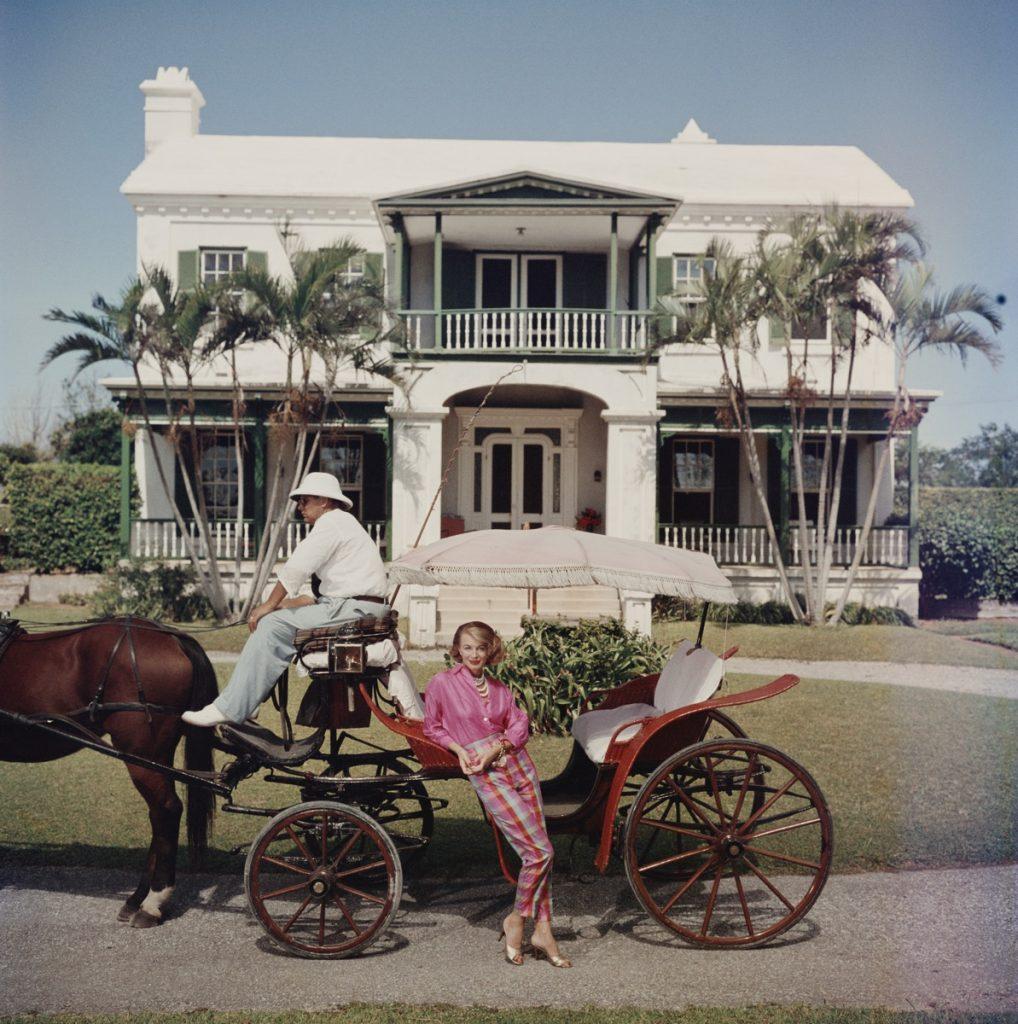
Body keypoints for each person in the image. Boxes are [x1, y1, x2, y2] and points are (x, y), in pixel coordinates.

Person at [183, 472, 389, 727]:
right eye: (299, 503)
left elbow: (296, 568)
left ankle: (231, 708)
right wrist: (279, 607)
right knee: (274, 619)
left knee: (272, 626)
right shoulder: (343, 525)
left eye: (304, 501)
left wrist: (267, 606)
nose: (300, 508)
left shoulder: (331, 523)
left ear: (323, 501)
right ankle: (248, 703)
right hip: (354, 607)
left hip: (354, 609)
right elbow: (315, 597)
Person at [423, 621, 572, 968]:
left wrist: (501, 745)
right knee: (540, 852)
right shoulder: (442, 683)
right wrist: (460, 750)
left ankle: (544, 928)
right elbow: (433, 726)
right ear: (457, 650)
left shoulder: (499, 687)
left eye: (481, 648)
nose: (474, 655)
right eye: (467, 647)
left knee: (541, 851)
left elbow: (520, 723)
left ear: (490, 650)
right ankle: (518, 919)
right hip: (486, 773)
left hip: (520, 767)